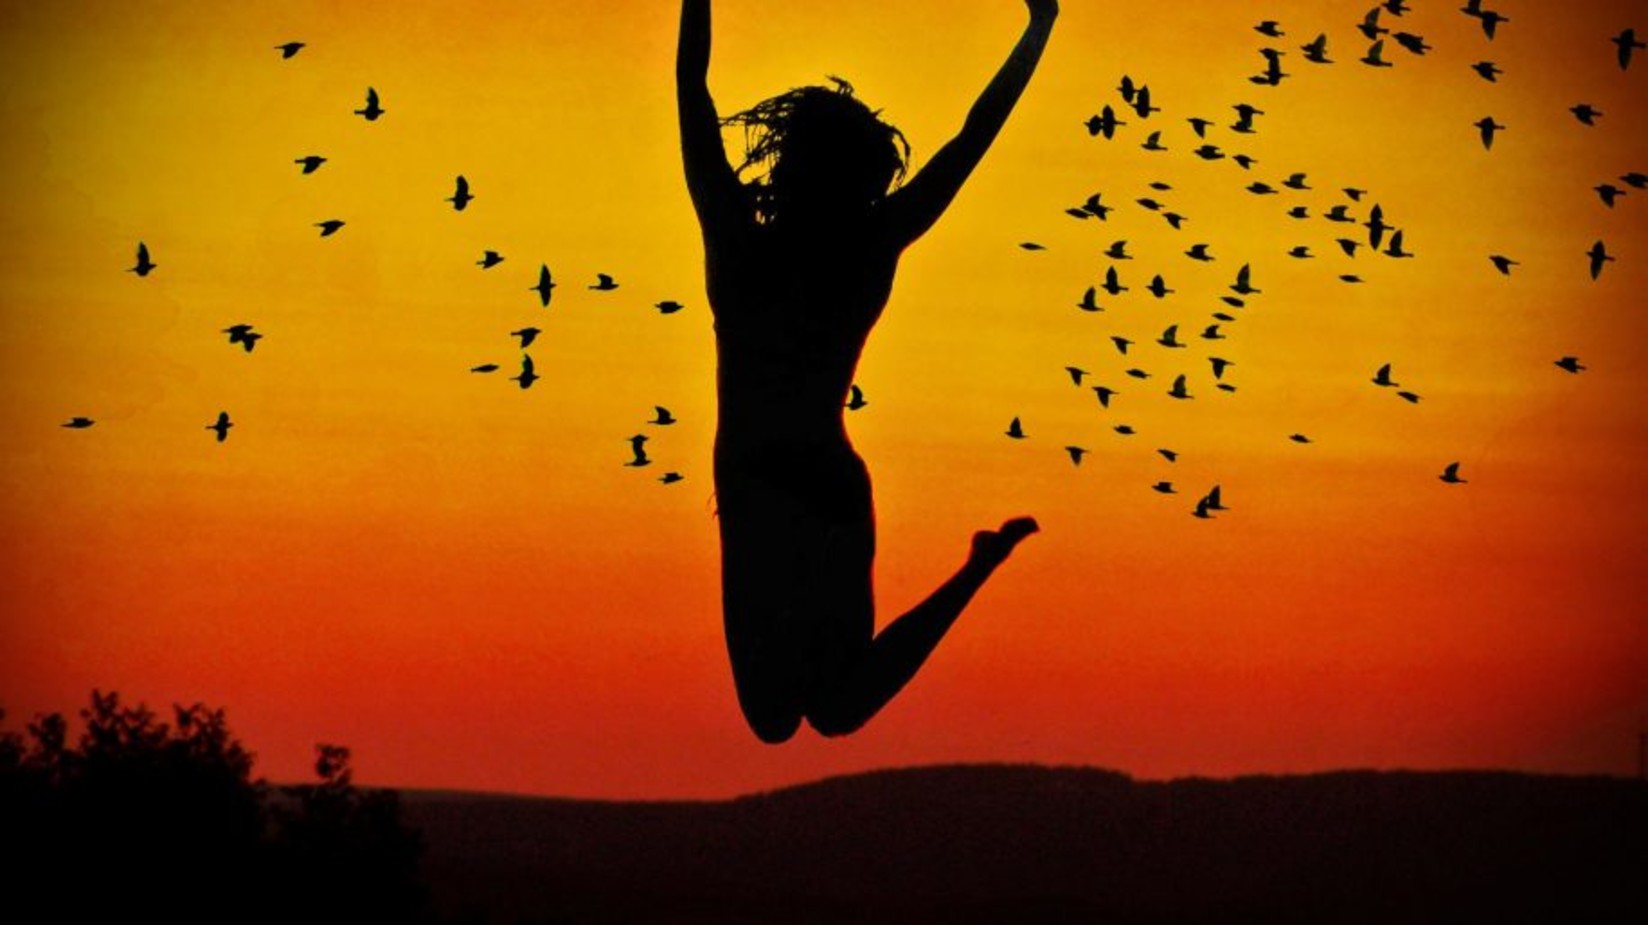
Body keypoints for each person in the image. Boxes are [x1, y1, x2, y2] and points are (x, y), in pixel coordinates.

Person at [677, 0, 1057, 743]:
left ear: (788, 164)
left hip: (759, 486)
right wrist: (1037, 28)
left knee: (778, 719)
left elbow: (694, 91)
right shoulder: (870, 244)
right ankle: (980, 566)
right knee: (832, 709)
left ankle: (980, 566)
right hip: (825, 482)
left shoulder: (739, 240)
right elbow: (969, 142)